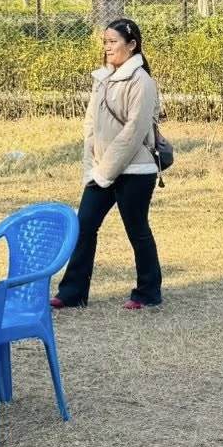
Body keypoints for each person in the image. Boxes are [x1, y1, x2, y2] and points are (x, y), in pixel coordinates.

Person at [53, 16, 163, 312]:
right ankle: (72, 293)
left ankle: (148, 292)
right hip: (102, 170)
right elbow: (91, 125)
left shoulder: (142, 82)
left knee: (137, 230)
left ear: (132, 44)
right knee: (83, 227)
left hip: (135, 171)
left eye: (114, 42)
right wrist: (93, 167)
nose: (108, 47)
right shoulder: (102, 78)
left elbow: (134, 132)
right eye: (105, 42)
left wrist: (105, 172)